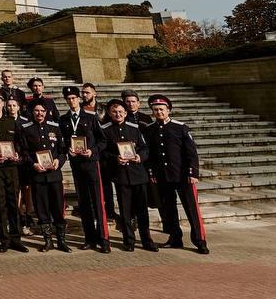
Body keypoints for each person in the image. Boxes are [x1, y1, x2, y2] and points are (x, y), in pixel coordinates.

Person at [146, 94, 209, 254]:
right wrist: (152, 172)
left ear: (168, 110)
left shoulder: (180, 127)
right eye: (155, 110)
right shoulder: (150, 130)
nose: (159, 112)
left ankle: (199, 240)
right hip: (163, 176)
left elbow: (191, 153)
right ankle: (175, 238)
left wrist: (192, 172)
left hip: (182, 175)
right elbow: (151, 154)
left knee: (191, 208)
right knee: (168, 209)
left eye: (161, 109)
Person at [98, 99, 158, 252]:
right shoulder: (105, 130)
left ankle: (147, 240)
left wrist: (140, 157)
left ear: (125, 113)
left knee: (142, 211)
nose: (117, 114)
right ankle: (129, 240)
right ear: (110, 114)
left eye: (120, 112)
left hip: (138, 174)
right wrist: (115, 158)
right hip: (121, 175)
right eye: (114, 112)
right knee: (125, 211)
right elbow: (103, 152)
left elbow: (145, 148)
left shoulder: (135, 128)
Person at [60, 85, 109, 253]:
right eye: (68, 99)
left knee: (97, 201)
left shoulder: (90, 117)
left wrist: (92, 151)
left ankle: (103, 239)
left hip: (91, 163)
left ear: (78, 99)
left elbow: (103, 141)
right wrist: (68, 149)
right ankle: (90, 238)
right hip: (76, 164)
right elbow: (63, 141)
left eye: (73, 98)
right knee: (84, 202)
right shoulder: (64, 119)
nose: (71, 101)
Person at [20, 97, 69, 252]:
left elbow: (62, 150)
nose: (39, 113)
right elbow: (24, 151)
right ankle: (48, 241)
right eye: (36, 111)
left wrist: (58, 161)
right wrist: (32, 164)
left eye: (42, 111)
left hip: (54, 175)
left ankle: (61, 241)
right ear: (32, 112)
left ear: (46, 112)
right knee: (42, 209)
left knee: (58, 208)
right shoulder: (26, 128)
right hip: (38, 175)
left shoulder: (55, 127)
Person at [0, 92, 29, 252]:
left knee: (13, 203)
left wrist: (18, 154)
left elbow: (21, 143)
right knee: (1, 204)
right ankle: (4, 239)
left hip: (12, 168)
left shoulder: (12, 122)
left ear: (3, 104)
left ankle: (16, 238)